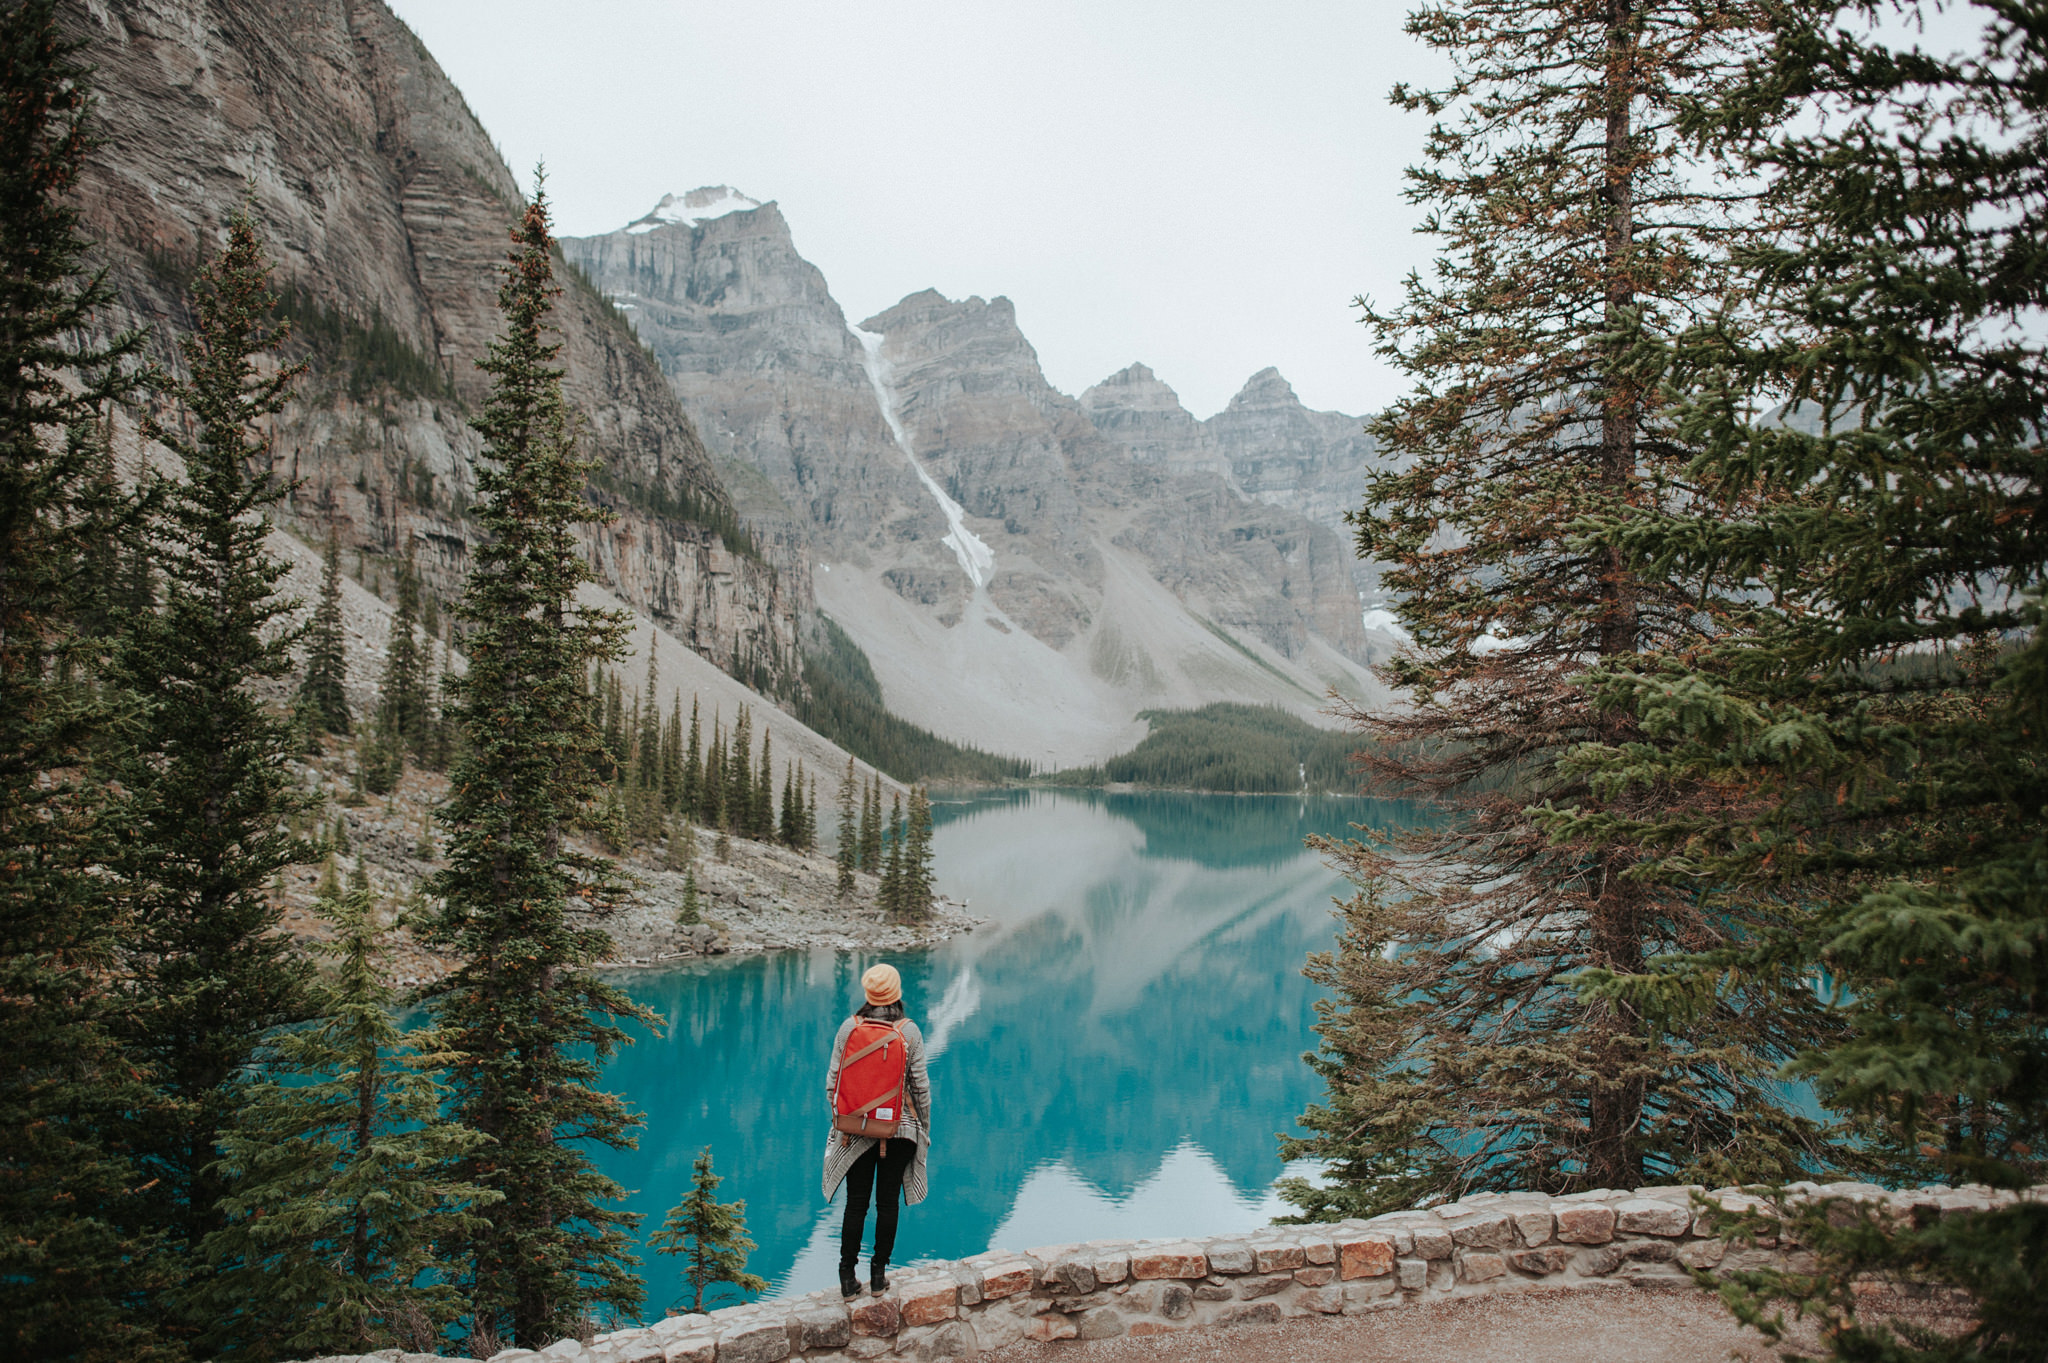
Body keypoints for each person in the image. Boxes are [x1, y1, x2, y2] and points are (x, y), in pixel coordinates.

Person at [823, 962, 931, 1298]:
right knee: (888, 1204)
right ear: (897, 994)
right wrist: (923, 1126)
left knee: (856, 1204)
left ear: (868, 993)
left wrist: (849, 1119)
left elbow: (832, 1085)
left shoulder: (849, 1027)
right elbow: (921, 1088)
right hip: (898, 1131)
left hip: (856, 1131)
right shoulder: (909, 1031)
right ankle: (879, 1276)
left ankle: (846, 1278)